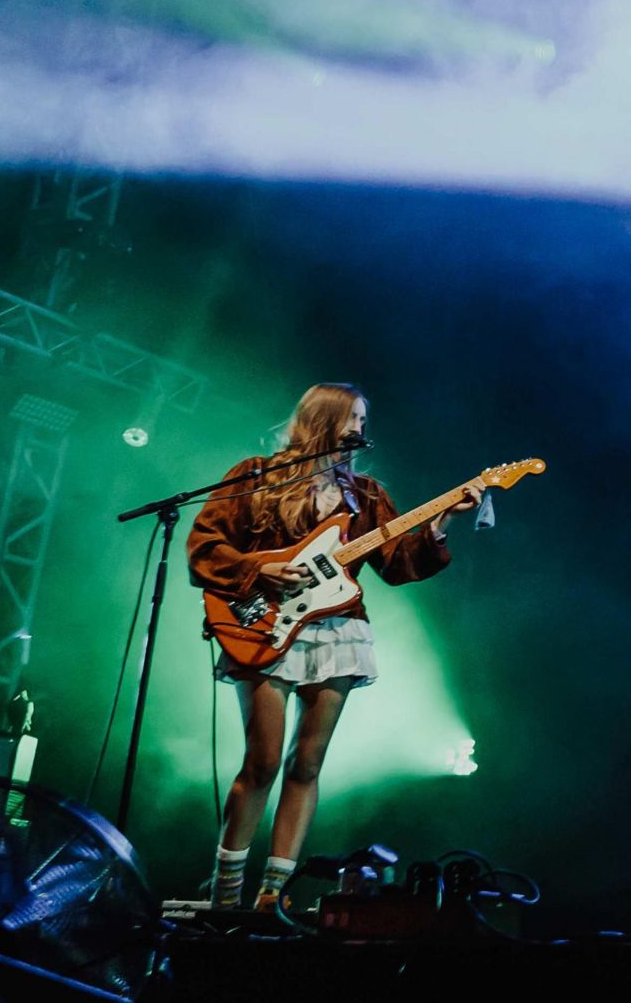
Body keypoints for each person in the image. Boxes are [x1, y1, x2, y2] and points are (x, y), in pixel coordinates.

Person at [187, 383, 483, 910]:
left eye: (365, 421)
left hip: (338, 630)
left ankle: (272, 896)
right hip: (265, 624)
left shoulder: (365, 494)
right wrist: (261, 566)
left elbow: (396, 564)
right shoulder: (254, 475)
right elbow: (205, 546)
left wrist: (442, 523)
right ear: (324, 418)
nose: (361, 431)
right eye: (354, 419)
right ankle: (226, 890)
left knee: (307, 763)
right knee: (263, 761)